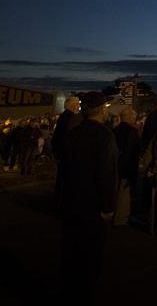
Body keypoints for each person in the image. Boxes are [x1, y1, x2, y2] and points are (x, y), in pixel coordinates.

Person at [59, 92, 118, 300]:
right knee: (92, 254)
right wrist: (108, 206)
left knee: (73, 252)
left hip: (73, 199)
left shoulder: (74, 132)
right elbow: (106, 173)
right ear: (102, 110)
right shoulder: (104, 135)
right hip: (93, 203)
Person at [113, 107, 140, 226]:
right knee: (123, 195)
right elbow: (130, 152)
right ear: (130, 118)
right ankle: (121, 219)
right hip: (125, 168)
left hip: (115, 166)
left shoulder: (116, 130)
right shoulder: (132, 132)